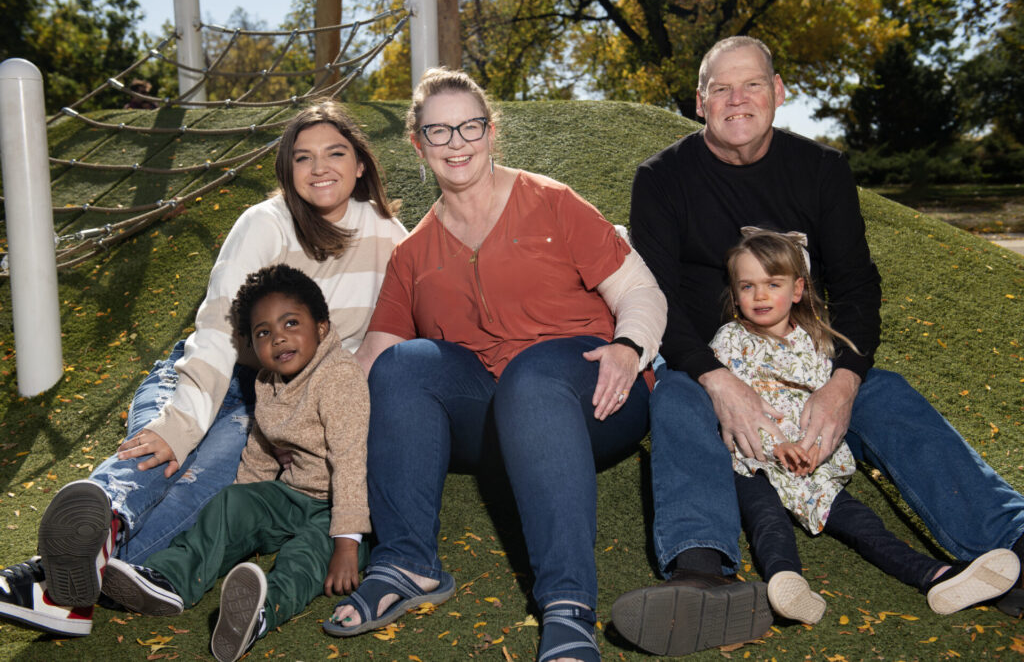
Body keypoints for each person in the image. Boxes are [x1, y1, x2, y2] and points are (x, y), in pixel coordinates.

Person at [611, 35, 1024, 656]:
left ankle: (1012, 543)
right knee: (676, 400)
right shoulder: (661, 179)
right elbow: (656, 295)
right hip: (705, 361)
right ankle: (701, 574)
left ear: (778, 92)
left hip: (802, 356)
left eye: (751, 84)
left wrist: (844, 381)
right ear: (700, 103)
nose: (737, 100)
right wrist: (718, 381)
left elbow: (857, 283)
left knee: (884, 393)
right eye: (720, 88)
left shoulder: (822, 169)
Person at [0, 100, 406, 637]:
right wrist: (183, 422)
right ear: (287, 171)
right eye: (303, 157)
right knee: (159, 451)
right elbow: (217, 329)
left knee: (204, 487)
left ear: (360, 164)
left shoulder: (389, 235)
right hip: (209, 372)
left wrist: (309, 415)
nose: (320, 167)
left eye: (335, 152)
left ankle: (60, 589)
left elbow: (405, 320)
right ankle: (95, 534)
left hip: (277, 396)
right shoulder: (265, 223)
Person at [324, 68, 667, 662]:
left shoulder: (551, 201)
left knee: (532, 376)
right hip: (493, 411)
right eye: (439, 131)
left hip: (593, 393)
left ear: (490, 131)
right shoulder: (412, 254)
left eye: (470, 127)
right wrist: (300, 415)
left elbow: (641, 290)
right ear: (418, 144)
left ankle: (567, 607)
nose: (456, 143)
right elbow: (372, 360)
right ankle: (408, 564)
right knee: (404, 365)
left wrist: (629, 347)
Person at [717, 227, 1019, 624]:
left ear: (796, 290)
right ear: (735, 293)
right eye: (747, 286)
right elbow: (737, 403)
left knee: (861, 523)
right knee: (767, 518)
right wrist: (775, 445)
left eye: (772, 284)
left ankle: (936, 576)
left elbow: (829, 399)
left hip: (811, 464)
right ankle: (786, 583)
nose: (759, 296)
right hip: (754, 458)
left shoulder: (816, 340)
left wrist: (811, 447)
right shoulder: (731, 340)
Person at [96, 264, 371, 662]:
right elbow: (260, 446)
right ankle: (169, 580)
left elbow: (350, 462)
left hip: (341, 509)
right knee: (229, 504)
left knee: (307, 557)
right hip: (293, 494)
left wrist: (348, 544)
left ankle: (258, 614)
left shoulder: (339, 377)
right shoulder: (267, 381)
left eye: (291, 323)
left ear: (323, 327)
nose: (278, 337)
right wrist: (242, 512)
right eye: (264, 333)